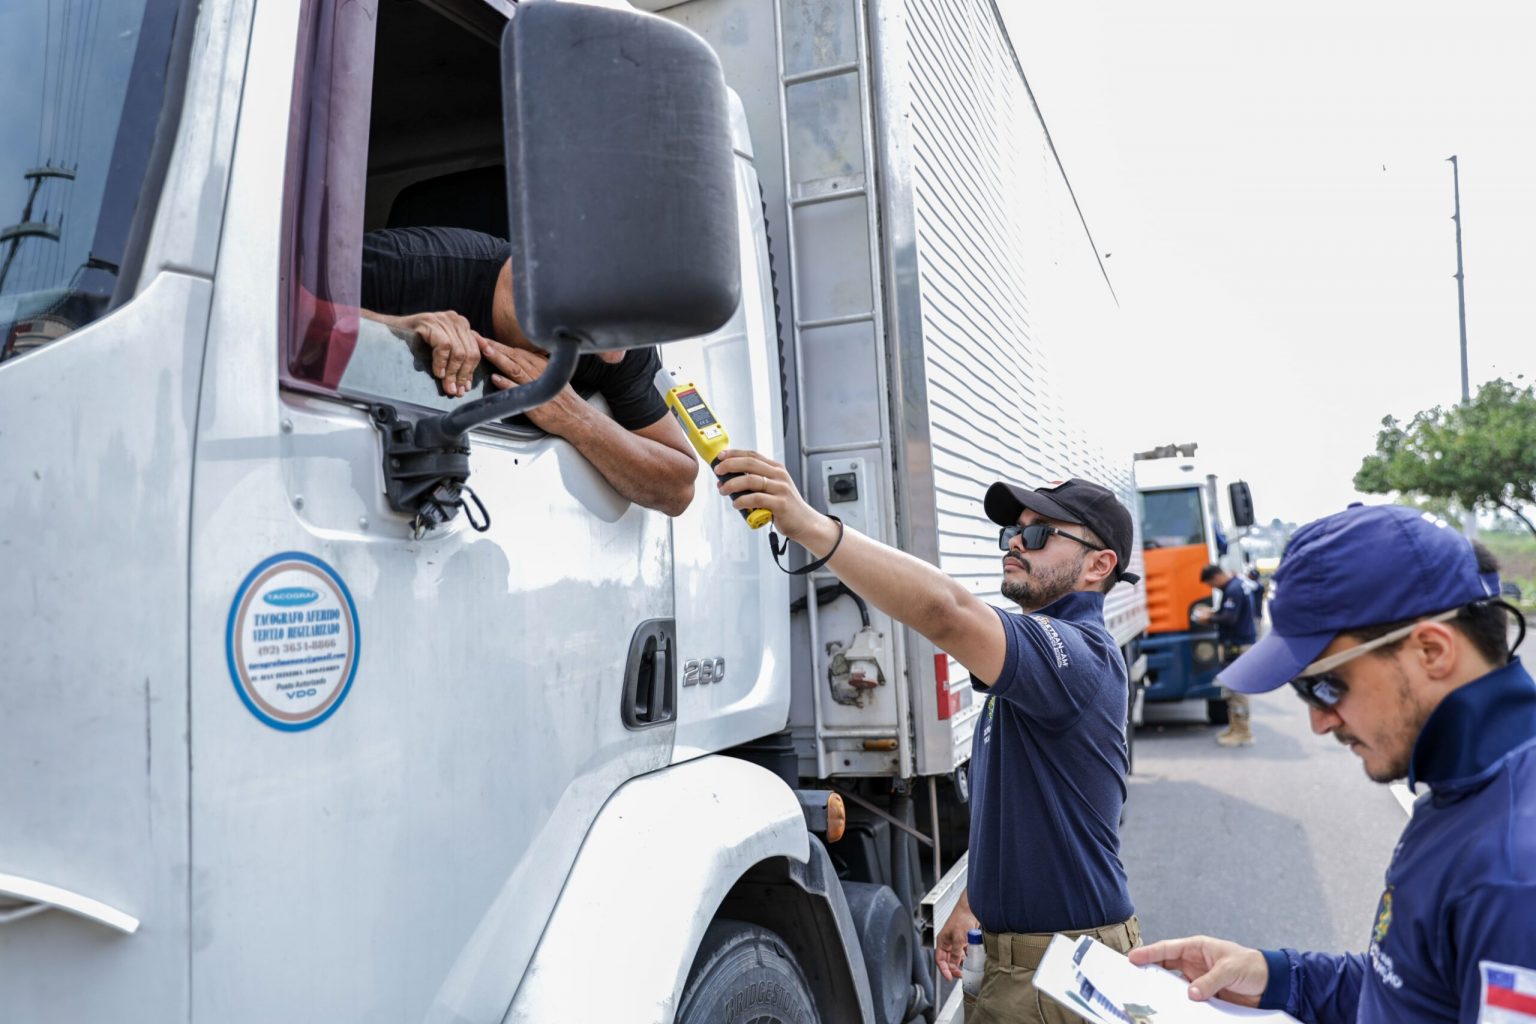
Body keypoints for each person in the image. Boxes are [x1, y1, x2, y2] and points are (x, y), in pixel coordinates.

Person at [711, 453, 1142, 1024]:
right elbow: (1027, 800)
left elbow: (946, 610)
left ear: (1099, 565)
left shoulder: (1078, 656)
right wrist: (974, 901)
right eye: (1011, 531)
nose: (1014, 542)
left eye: (1037, 533)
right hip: (1024, 962)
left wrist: (810, 525)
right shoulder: (1040, 666)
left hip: (1063, 967)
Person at [1129, 504, 1535, 1023]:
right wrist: (1278, 978)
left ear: (1432, 650)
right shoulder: (1467, 790)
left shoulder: (1515, 873)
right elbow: (1416, 987)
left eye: (1324, 686)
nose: (1320, 722)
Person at [358, 225, 697, 516]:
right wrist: (391, 328)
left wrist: (574, 417)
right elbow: (304, 306)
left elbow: (678, 487)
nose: (613, 357)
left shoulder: (620, 343)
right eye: (606, 318)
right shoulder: (416, 263)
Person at [1194, 563, 1258, 747]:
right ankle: (1235, 727)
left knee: (1238, 691)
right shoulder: (1235, 586)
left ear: (1216, 576)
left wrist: (1209, 618)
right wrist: (1215, 613)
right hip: (1236, 646)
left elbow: (1230, 619)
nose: (1212, 588)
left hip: (1238, 646)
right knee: (1231, 690)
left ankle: (1243, 732)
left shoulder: (1234, 590)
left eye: (1211, 584)